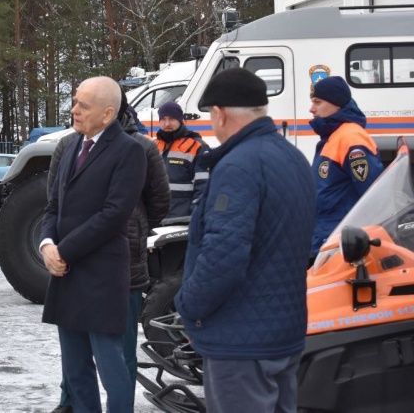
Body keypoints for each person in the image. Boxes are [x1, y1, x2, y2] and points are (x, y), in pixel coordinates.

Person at [174, 67, 316, 413]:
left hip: (240, 342)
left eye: (209, 114)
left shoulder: (238, 165)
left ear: (220, 113)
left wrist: (189, 309)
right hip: (284, 331)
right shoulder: (293, 157)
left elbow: (224, 256)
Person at [48, 88, 170, 413]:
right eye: (74, 102)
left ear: (108, 112)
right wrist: (48, 245)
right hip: (69, 271)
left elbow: (126, 211)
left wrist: (137, 230)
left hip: (112, 272)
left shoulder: (134, 149)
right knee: (75, 366)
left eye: (82, 105)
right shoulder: (68, 146)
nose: (73, 110)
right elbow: (54, 205)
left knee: (114, 361)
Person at [309, 75, 383, 257]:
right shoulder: (335, 135)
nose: (311, 109)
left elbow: (371, 195)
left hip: (340, 239)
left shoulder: (350, 138)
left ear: (337, 104)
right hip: (330, 234)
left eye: (317, 102)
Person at [155, 101, 210, 220]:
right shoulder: (154, 146)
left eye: (171, 119)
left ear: (180, 120)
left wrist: (196, 214)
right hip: (156, 217)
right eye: (163, 119)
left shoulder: (197, 146)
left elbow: (203, 186)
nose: (167, 123)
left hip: (182, 217)